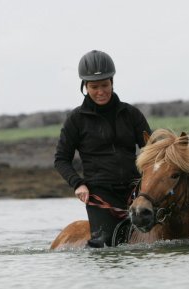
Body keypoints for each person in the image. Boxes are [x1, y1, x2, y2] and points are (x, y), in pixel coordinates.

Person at [54, 50, 151, 247]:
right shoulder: (76, 120)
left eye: (105, 85)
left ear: (112, 82)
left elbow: (151, 151)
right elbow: (61, 159)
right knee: (104, 243)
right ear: (85, 86)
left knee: (183, 225)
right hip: (100, 193)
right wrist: (78, 184)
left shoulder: (132, 114)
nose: (101, 91)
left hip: (137, 190)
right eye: (94, 86)